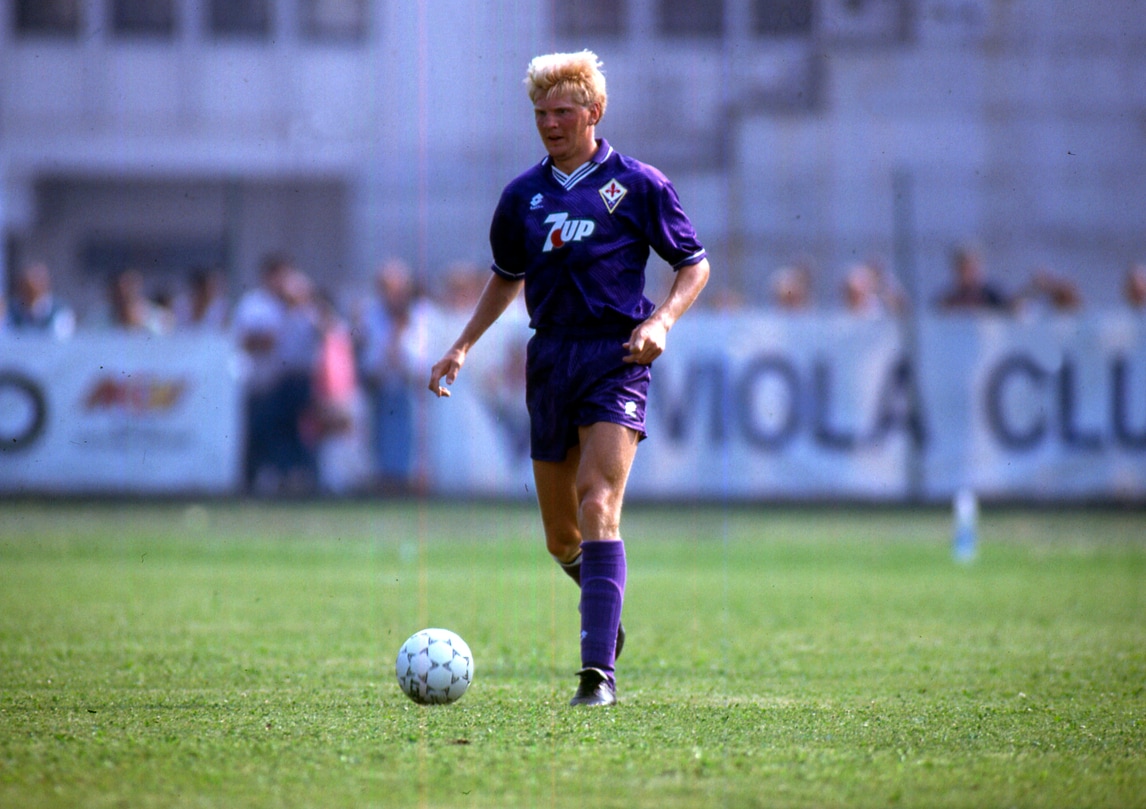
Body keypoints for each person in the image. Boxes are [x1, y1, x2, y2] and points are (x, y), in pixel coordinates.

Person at [428, 50, 710, 707]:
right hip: (550, 359)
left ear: (595, 111)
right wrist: (463, 345)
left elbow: (694, 265)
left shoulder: (639, 185)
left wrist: (662, 321)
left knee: (598, 500)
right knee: (561, 537)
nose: (550, 123)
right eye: (540, 113)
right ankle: (604, 612)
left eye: (562, 111)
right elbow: (507, 276)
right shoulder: (520, 197)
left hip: (617, 356)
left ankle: (596, 675)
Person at [6, 261, 76, 340]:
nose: (29, 293)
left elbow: (62, 340)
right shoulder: (12, 311)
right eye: (25, 289)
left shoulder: (60, 312)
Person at [935, 245, 1012, 312]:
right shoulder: (949, 301)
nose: (968, 274)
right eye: (964, 269)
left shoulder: (992, 298)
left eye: (972, 269)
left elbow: (1008, 310)